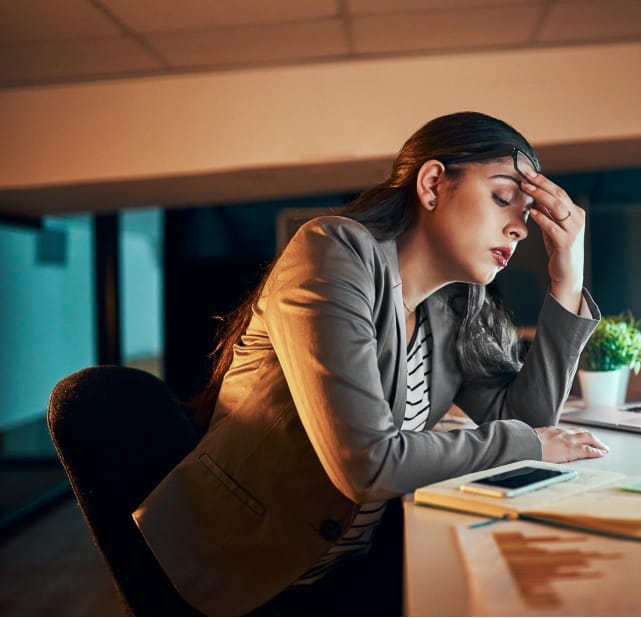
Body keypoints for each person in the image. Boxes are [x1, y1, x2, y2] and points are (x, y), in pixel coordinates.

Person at [132, 111, 608, 616]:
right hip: (240, 583)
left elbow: (528, 422)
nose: (519, 228)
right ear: (432, 185)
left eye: (528, 213)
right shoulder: (332, 251)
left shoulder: (448, 308)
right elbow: (366, 463)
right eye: (502, 198)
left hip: (344, 569)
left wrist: (567, 277)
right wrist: (530, 442)